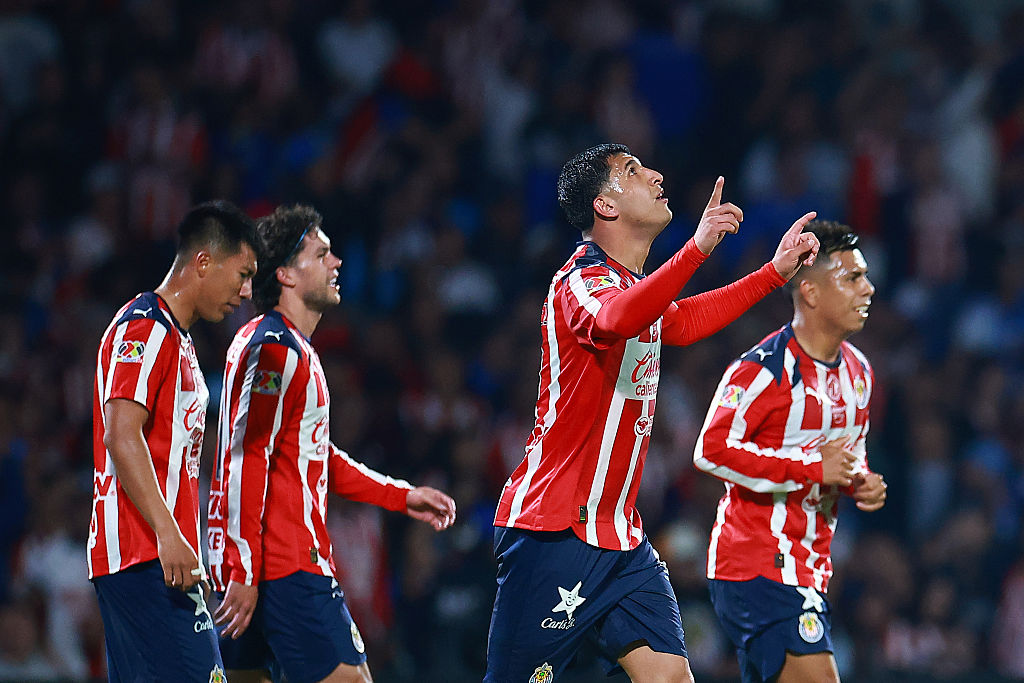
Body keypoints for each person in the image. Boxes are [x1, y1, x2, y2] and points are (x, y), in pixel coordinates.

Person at [486, 143, 820, 683]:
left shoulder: (631, 290)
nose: (656, 175)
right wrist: (694, 250)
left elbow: (679, 321)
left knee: (668, 678)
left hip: (620, 539)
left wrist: (773, 273)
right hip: (555, 533)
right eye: (633, 172)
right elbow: (618, 319)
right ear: (606, 206)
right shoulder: (581, 281)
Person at [207, 204, 457, 683]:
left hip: (252, 566)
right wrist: (244, 566)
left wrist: (400, 495)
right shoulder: (279, 350)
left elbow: (312, 459)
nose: (337, 262)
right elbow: (249, 456)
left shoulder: (262, 341)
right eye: (321, 254)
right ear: (284, 274)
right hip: (284, 566)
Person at [693, 220, 887, 683]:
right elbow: (711, 449)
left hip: (812, 569)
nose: (869, 288)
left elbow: (847, 455)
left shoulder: (859, 373)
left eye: (866, 275)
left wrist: (861, 479)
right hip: (756, 564)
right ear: (811, 292)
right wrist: (810, 468)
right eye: (852, 278)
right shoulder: (763, 369)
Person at [88, 200, 258, 682]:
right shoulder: (145, 327)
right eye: (242, 274)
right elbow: (122, 436)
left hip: (162, 560)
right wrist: (169, 534)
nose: (245, 293)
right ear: (203, 261)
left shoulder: (180, 341)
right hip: (144, 558)